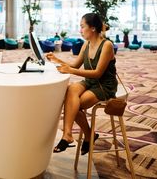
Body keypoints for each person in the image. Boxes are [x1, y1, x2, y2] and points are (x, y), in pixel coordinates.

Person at [46, 13, 118, 155]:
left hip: (104, 85)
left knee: (74, 104)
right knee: (71, 89)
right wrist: (56, 59)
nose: (80, 30)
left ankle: (87, 135)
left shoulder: (107, 45)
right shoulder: (86, 44)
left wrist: (70, 70)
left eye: (82, 26)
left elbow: (98, 73)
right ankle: (68, 134)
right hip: (90, 82)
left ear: (92, 28)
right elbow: (75, 65)